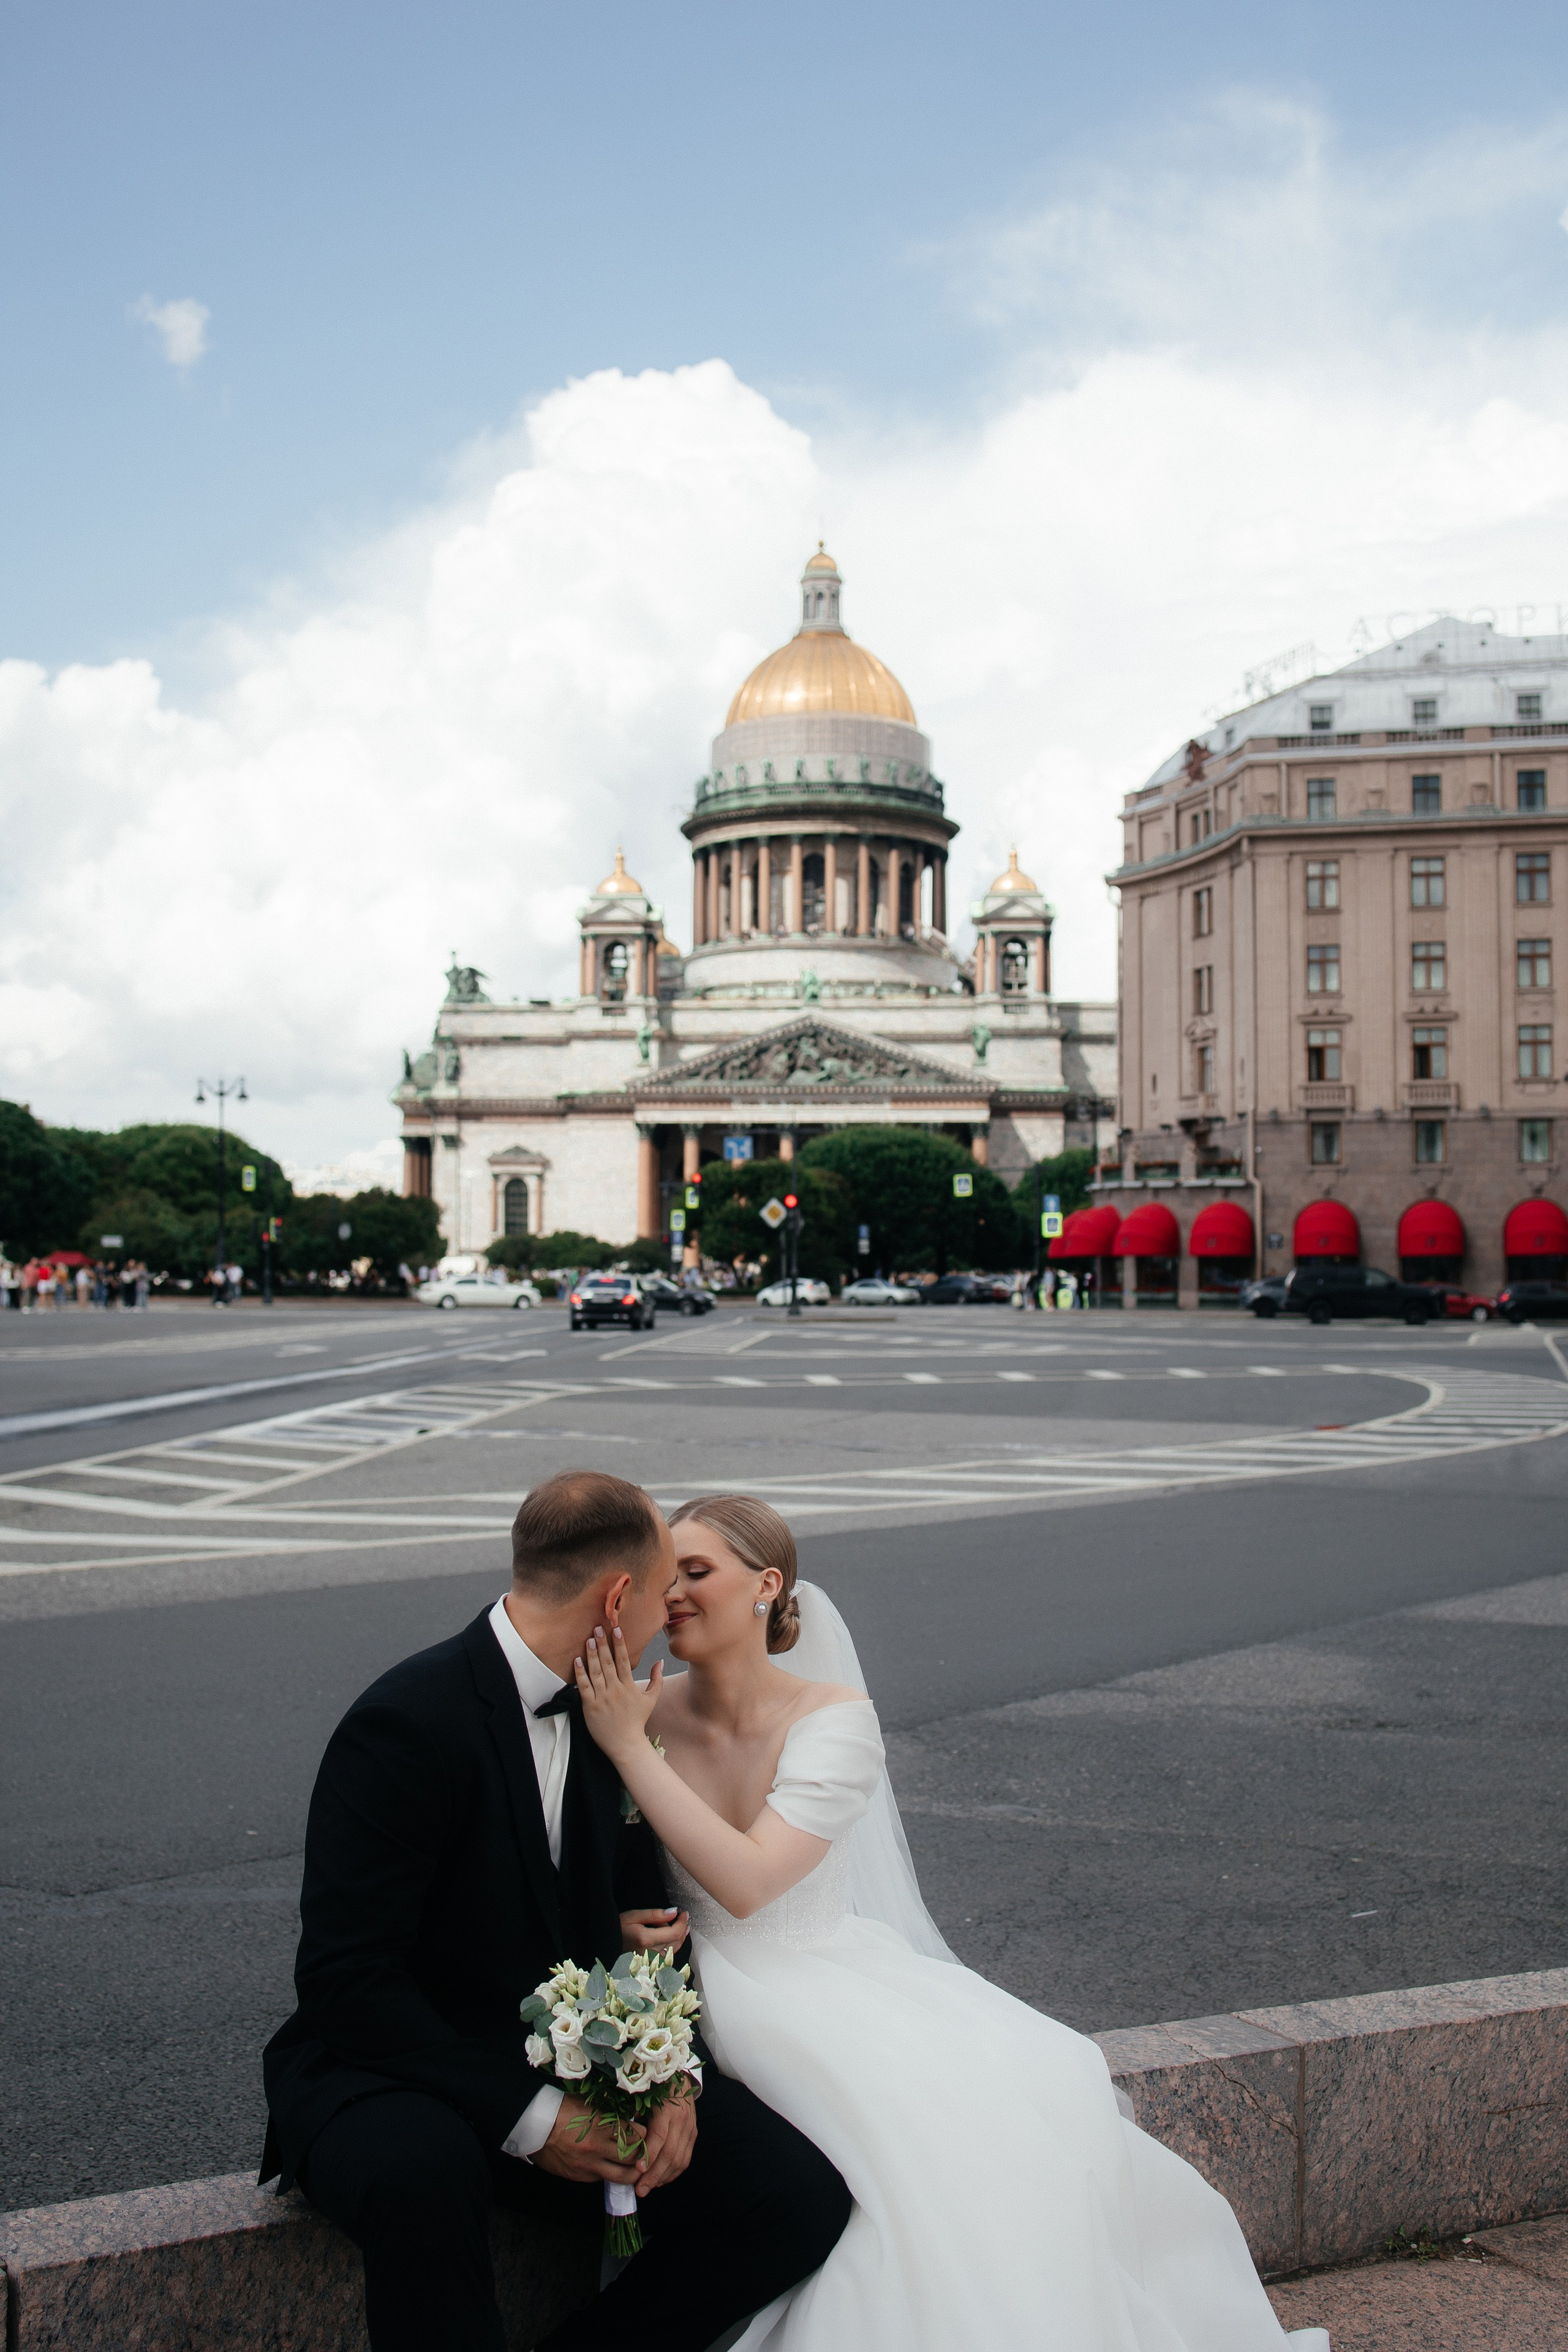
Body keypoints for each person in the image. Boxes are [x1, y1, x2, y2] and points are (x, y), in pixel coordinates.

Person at [572, 1496, 1327, 2352]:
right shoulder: (640, 1710)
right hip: (696, 1990)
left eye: (697, 1573)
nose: (671, 1594)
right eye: (665, 1576)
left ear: (767, 1585)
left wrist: (631, 1749)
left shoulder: (830, 1721)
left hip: (811, 1979)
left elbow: (750, 1885)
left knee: (995, 2131)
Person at [261, 1470, 850, 2352]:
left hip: (560, 2050)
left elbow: (653, 1915)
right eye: (663, 1591)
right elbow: (349, 1982)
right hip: (393, 2062)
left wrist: (676, 2078)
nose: (673, 1612)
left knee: (794, 2194)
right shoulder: (405, 1722)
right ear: (618, 1597)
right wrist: (538, 2123)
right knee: (425, 2175)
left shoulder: (610, 1711)